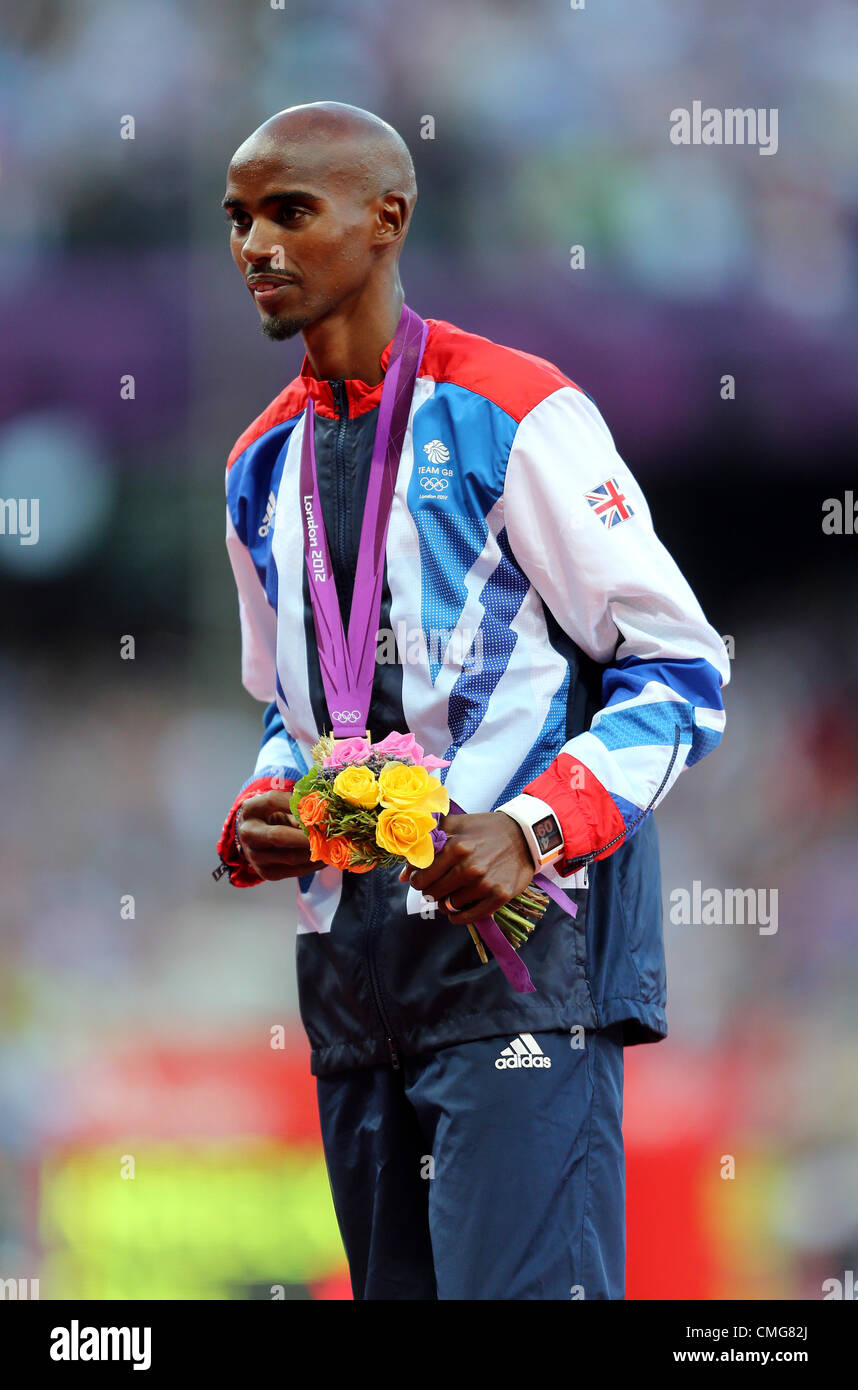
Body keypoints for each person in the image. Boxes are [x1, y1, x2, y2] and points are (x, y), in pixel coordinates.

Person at [215, 101, 729, 1300]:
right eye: (238, 221)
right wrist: (266, 802)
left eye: (291, 212)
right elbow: (292, 713)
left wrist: (533, 826)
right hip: (353, 978)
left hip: (524, 970)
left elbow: (683, 666)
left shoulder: (518, 409)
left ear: (386, 219)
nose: (256, 247)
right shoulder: (254, 466)